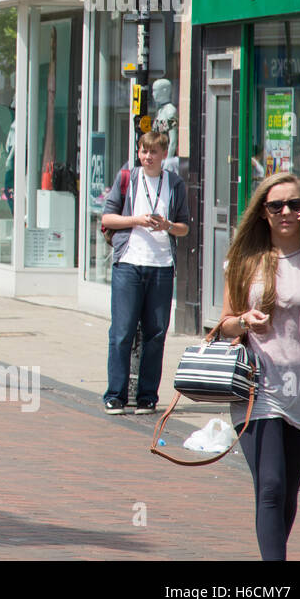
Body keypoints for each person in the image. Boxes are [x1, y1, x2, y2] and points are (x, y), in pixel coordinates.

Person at [212, 172, 300, 560]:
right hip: (258, 385)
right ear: (263, 212)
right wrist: (243, 322)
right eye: (276, 205)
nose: (286, 211)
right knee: (269, 485)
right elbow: (224, 324)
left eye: (294, 204)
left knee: (286, 489)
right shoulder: (245, 259)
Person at [99, 129, 192, 414]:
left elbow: (184, 227)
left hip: (161, 266)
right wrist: (136, 220)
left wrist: (167, 226)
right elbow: (107, 217)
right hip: (129, 263)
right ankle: (115, 394)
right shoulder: (128, 177)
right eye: (143, 151)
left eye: (153, 152)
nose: (147, 157)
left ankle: (147, 396)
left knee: (155, 333)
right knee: (123, 331)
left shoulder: (175, 184)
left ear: (164, 154)